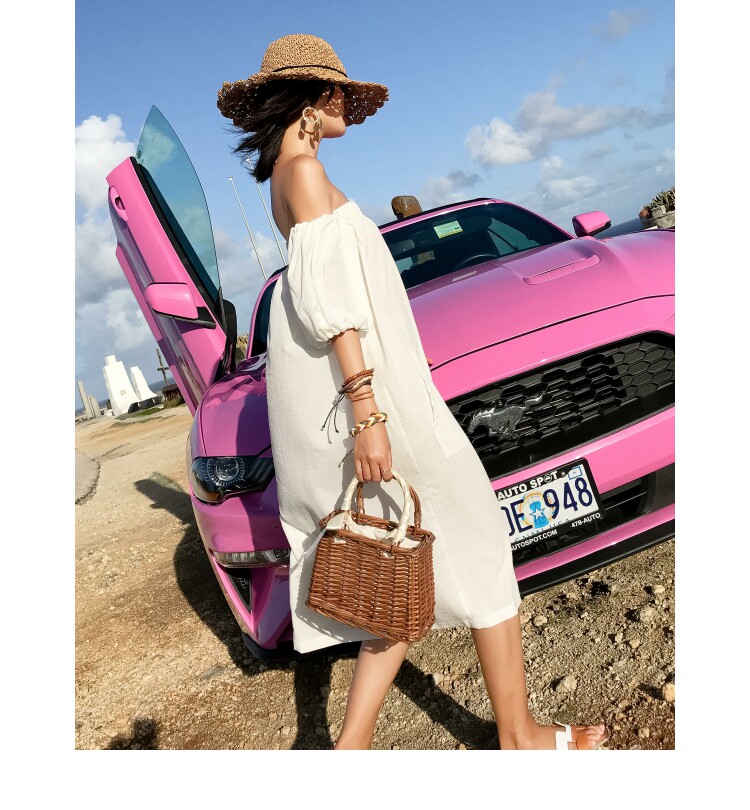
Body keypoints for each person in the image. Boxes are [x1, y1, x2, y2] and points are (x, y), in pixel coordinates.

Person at [217, 34, 609, 751]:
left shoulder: (288, 176)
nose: (345, 105)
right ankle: (519, 738)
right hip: (377, 403)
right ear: (310, 100)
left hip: (373, 398)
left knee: (395, 569)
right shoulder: (303, 171)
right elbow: (331, 305)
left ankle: (349, 755)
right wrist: (368, 409)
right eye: (336, 93)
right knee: (479, 536)